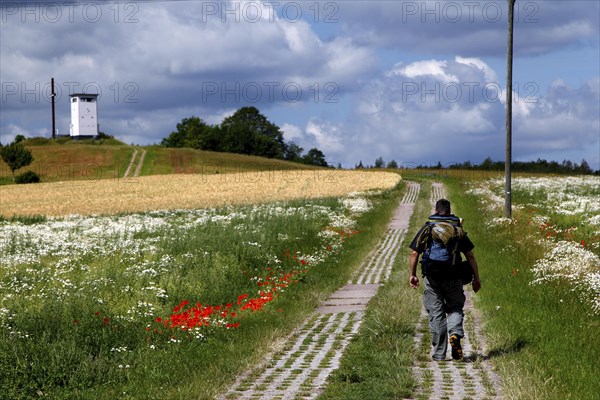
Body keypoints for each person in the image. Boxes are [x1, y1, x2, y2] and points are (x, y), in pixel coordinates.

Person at [408, 198, 481, 361]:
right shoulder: (457, 229)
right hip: (454, 276)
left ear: (436, 210)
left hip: (432, 277)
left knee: (436, 312)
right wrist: (476, 278)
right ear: (449, 211)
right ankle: (455, 335)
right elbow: (469, 255)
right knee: (455, 307)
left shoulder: (428, 227)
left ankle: (440, 354)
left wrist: (412, 275)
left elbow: (414, 253)